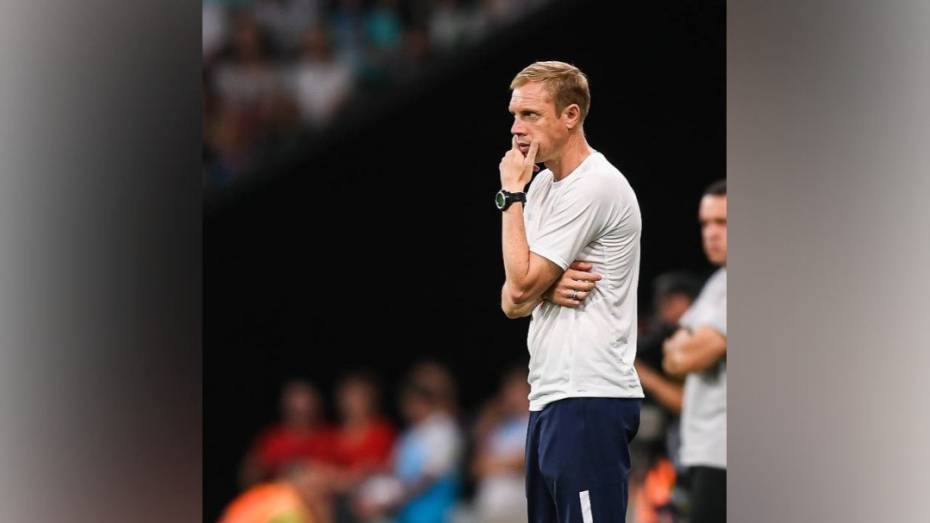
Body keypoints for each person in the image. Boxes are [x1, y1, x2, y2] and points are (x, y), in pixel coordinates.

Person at [497, 60, 643, 522]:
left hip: (589, 394)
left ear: (571, 115)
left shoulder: (595, 184)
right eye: (514, 116)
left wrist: (510, 195)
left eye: (530, 115)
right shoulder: (542, 186)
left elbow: (521, 284)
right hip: (549, 395)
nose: (517, 129)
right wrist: (542, 287)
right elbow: (511, 300)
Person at [662, 179, 727, 523]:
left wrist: (683, 348)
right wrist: (683, 349)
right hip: (706, 450)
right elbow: (673, 357)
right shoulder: (718, 283)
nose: (711, 233)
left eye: (722, 222)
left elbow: (687, 356)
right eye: (705, 223)